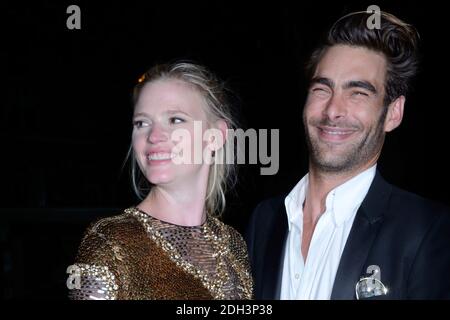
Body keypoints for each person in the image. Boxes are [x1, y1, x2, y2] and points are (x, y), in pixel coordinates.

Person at [246, 11, 450, 299]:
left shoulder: (427, 229)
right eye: (322, 89)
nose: (332, 110)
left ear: (393, 113)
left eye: (358, 94)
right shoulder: (265, 220)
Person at [66, 62, 253, 300]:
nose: (153, 136)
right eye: (141, 123)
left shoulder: (234, 246)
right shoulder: (110, 242)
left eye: (175, 120)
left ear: (215, 136)